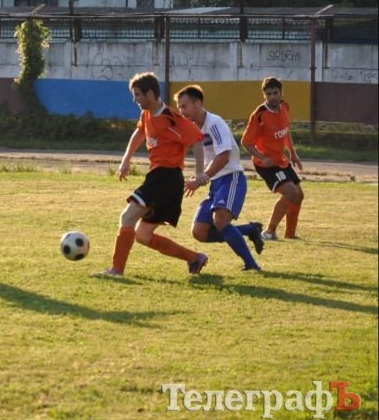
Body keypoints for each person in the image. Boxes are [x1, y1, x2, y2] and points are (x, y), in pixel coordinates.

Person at [94, 72, 209, 278]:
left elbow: (197, 138)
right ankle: (194, 258)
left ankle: (116, 270)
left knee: (127, 217)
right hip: (162, 179)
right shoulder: (147, 114)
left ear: (150, 93)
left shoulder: (170, 118)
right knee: (142, 235)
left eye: (137, 95)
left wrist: (200, 173)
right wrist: (126, 159)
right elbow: (140, 133)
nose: (134, 99)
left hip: (166, 178)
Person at [175, 85, 264, 271]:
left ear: (198, 103)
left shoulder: (214, 123)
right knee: (199, 231)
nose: (181, 111)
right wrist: (200, 174)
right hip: (216, 183)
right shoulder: (194, 128)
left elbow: (224, 156)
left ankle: (252, 265)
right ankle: (249, 230)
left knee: (220, 221)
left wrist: (201, 178)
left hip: (231, 179)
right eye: (179, 107)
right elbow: (204, 154)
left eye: (184, 106)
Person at [241, 77, 304, 240]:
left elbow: (285, 131)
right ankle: (269, 232)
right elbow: (246, 143)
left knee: (299, 195)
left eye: (275, 93)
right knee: (291, 192)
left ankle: (290, 234)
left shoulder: (284, 106)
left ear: (281, 92)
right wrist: (262, 157)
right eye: (268, 94)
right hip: (266, 165)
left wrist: (293, 153)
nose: (272, 97)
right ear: (264, 95)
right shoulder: (260, 115)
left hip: (280, 160)